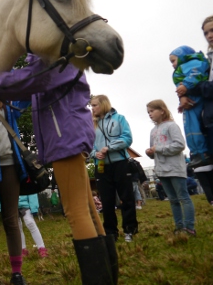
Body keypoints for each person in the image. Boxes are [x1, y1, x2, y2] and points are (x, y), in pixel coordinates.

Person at [0, 54, 118, 285]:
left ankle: (98, 280)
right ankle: (107, 276)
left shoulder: (55, 62)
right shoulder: (61, 62)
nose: (28, 55)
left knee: (76, 212)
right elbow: (27, 86)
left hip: (64, 141)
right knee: (87, 210)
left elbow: (29, 79)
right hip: (65, 141)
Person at [0, 100, 29, 285]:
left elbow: (27, 96)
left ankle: (17, 274)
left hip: (10, 165)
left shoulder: (8, 103)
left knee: (11, 219)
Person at [90, 95, 138, 243]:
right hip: (101, 166)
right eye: (91, 106)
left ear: (103, 104)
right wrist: (94, 153)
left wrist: (109, 148)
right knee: (107, 200)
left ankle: (130, 230)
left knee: (126, 197)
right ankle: (111, 232)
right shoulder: (92, 124)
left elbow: (127, 138)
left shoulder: (119, 119)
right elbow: (88, 144)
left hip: (120, 163)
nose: (92, 108)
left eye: (95, 105)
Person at [145, 99, 196, 236]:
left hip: (174, 168)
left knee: (183, 197)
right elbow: (155, 151)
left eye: (152, 110)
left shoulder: (172, 126)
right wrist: (150, 152)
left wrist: (159, 149)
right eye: (148, 112)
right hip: (161, 170)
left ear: (162, 110)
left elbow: (180, 145)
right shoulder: (153, 131)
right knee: (173, 200)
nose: (150, 114)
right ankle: (179, 227)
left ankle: (189, 227)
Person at [169, 45, 210, 168]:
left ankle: (202, 153)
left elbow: (196, 74)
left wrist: (186, 86)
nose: (172, 65)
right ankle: (197, 153)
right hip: (191, 100)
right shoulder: (184, 68)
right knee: (191, 128)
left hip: (197, 100)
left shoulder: (192, 63)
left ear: (183, 57)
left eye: (173, 60)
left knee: (195, 127)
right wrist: (182, 97)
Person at [18, 194, 48, 258]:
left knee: (30, 223)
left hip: (26, 205)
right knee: (17, 227)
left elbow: (32, 190)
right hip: (11, 206)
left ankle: (41, 248)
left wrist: (34, 208)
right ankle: (22, 249)